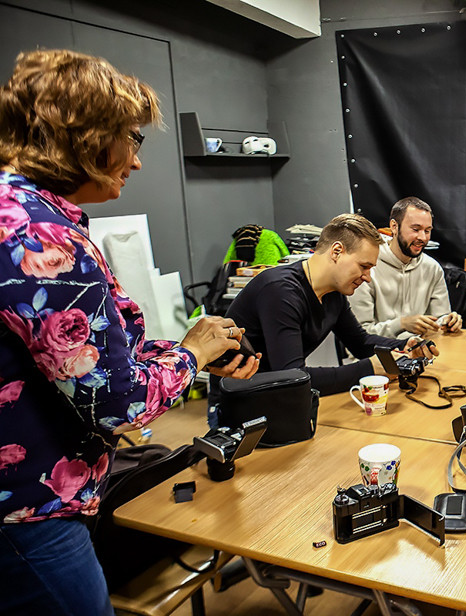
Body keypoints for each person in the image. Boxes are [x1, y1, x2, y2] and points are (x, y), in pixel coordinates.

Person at [0, 49, 259, 615]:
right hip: (28, 513)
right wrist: (190, 356)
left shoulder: (19, 215)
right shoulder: (41, 239)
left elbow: (86, 360)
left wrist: (188, 352)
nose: (136, 161)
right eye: (131, 138)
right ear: (88, 134)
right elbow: (118, 404)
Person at [212, 213, 439, 403]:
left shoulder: (333, 293)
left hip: (278, 400)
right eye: (364, 266)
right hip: (241, 404)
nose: (368, 277)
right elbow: (293, 377)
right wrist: (369, 368)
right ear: (336, 251)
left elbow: (360, 342)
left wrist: (405, 345)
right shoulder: (280, 292)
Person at [349, 197, 461, 338]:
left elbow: (438, 320)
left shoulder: (432, 268)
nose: (423, 237)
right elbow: (358, 336)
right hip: (379, 350)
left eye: (427, 231)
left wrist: (447, 321)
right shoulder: (367, 267)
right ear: (394, 226)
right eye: (416, 229)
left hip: (418, 348)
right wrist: (402, 324)